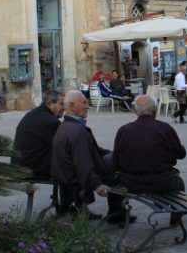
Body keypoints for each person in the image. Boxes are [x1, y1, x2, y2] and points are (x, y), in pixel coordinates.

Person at [50, 91, 133, 225]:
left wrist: (109, 153)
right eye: (84, 103)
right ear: (72, 106)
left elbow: (89, 152)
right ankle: (117, 213)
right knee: (120, 165)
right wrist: (97, 185)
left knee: (116, 157)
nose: (88, 106)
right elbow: (82, 163)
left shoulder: (67, 125)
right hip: (76, 176)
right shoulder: (77, 131)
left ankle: (116, 212)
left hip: (67, 173)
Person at [113, 94, 186, 225]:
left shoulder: (123, 130)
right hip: (162, 182)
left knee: (115, 179)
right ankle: (176, 215)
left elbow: (116, 161)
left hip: (131, 182)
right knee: (178, 182)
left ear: (135, 110)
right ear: (155, 110)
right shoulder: (165, 129)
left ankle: (119, 215)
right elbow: (180, 154)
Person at [12, 90, 65, 178]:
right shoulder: (50, 121)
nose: (64, 108)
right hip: (32, 168)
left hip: (19, 165)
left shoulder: (32, 114)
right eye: (61, 104)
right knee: (72, 165)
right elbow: (63, 147)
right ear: (49, 103)